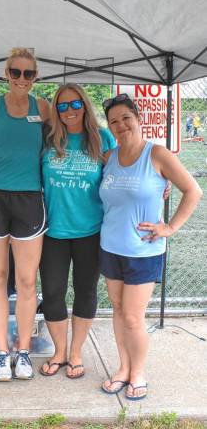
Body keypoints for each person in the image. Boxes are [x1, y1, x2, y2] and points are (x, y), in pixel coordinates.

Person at [99, 93, 203, 400]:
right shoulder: (109, 158)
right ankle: (123, 368)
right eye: (114, 122)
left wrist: (169, 227)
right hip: (110, 247)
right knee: (117, 310)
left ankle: (138, 372)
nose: (120, 126)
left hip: (143, 251)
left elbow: (193, 190)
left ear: (139, 118)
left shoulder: (157, 154)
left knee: (133, 317)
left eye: (126, 119)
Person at [0, 47, 50, 381]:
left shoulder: (43, 108)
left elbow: (67, 142)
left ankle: (24, 351)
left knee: (27, 280)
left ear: (35, 77)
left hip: (30, 200)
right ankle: (3, 353)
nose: (21, 79)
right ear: (6, 73)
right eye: (15, 72)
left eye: (28, 74)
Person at [38, 84, 117, 379]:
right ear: (56, 110)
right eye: (62, 106)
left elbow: (125, 170)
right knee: (53, 293)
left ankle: (76, 352)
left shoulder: (103, 138)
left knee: (85, 291)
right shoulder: (48, 139)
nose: (69, 111)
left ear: (84, 105)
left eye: (75, 104)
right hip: (52, 232)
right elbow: (22, 168)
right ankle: (59, 351)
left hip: (90, 231)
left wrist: (158, 184)